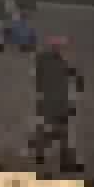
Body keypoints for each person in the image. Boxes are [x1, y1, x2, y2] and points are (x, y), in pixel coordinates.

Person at [28, 36, 84, 174]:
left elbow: (37, 82)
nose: (62, 49)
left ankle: (39, 151)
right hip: (58, 103)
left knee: (52, 130)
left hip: (46, 102)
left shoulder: (42, 60)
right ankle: (63, 161)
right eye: (61, 47)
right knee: (62, 132)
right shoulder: (61, 63)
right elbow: (77, 79)